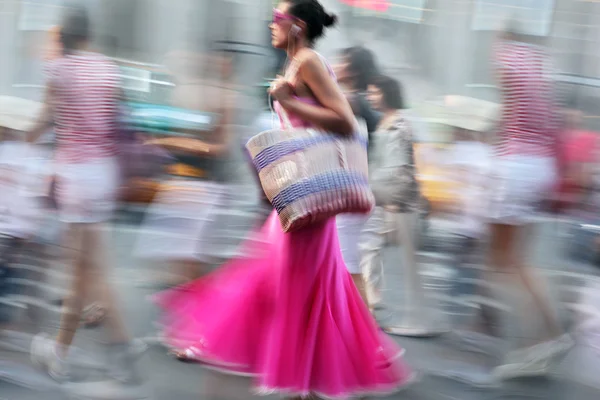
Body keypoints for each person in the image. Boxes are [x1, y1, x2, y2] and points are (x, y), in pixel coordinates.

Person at [155, 1, 414, 398]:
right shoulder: (295, 64)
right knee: (291, 287)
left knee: (280, 284)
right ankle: (300, 381)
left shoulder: (309, 60)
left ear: (297, 26)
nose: (270, 24)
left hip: (309, 200)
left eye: (278, 18)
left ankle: (264, 364)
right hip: (298, 197)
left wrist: (288, 101)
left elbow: (344, 119)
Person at [26, 6, 142, 383]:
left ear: (63, 38)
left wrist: (19, 136)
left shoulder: (59, 70)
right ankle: (117, 345)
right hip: (103, 173)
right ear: (88, 36)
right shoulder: (108, 68)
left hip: (75, 175)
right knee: (90, 268)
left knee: (79, 270)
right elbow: (119, 119)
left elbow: (45, 119)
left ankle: (62, 350)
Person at [488, 22, 572, 379]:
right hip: (540, 166)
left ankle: (547, 337)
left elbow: (506, 116)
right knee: (515, 260)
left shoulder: (506, 56)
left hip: (517, 164)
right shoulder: (540, 64)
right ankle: (542, 338)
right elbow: (553, 125)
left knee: (503, 261)